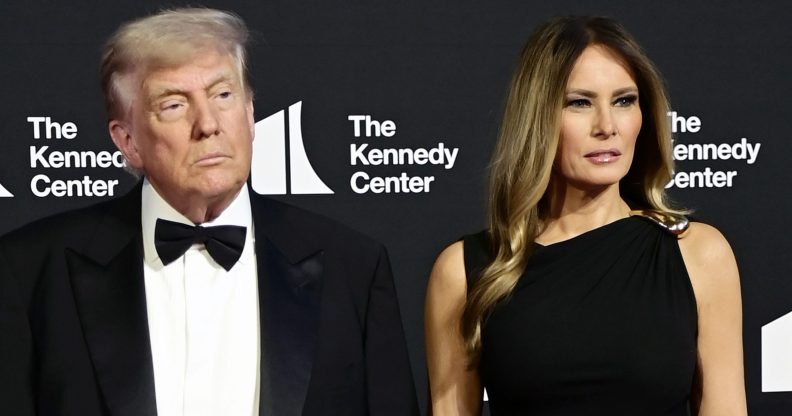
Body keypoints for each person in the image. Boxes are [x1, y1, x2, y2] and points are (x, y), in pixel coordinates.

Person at [0, 8, 418, 416]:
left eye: (223, 95)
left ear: (251, 114)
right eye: (174, 105)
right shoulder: (30, 271)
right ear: (128, 141)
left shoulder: (353, 268)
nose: (208, 123)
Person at [425, 16, 746, 415]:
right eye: (580, 103)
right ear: (537, 119)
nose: (607, 126)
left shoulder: (698, 255)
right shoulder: (466, 270)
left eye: (624, 100)